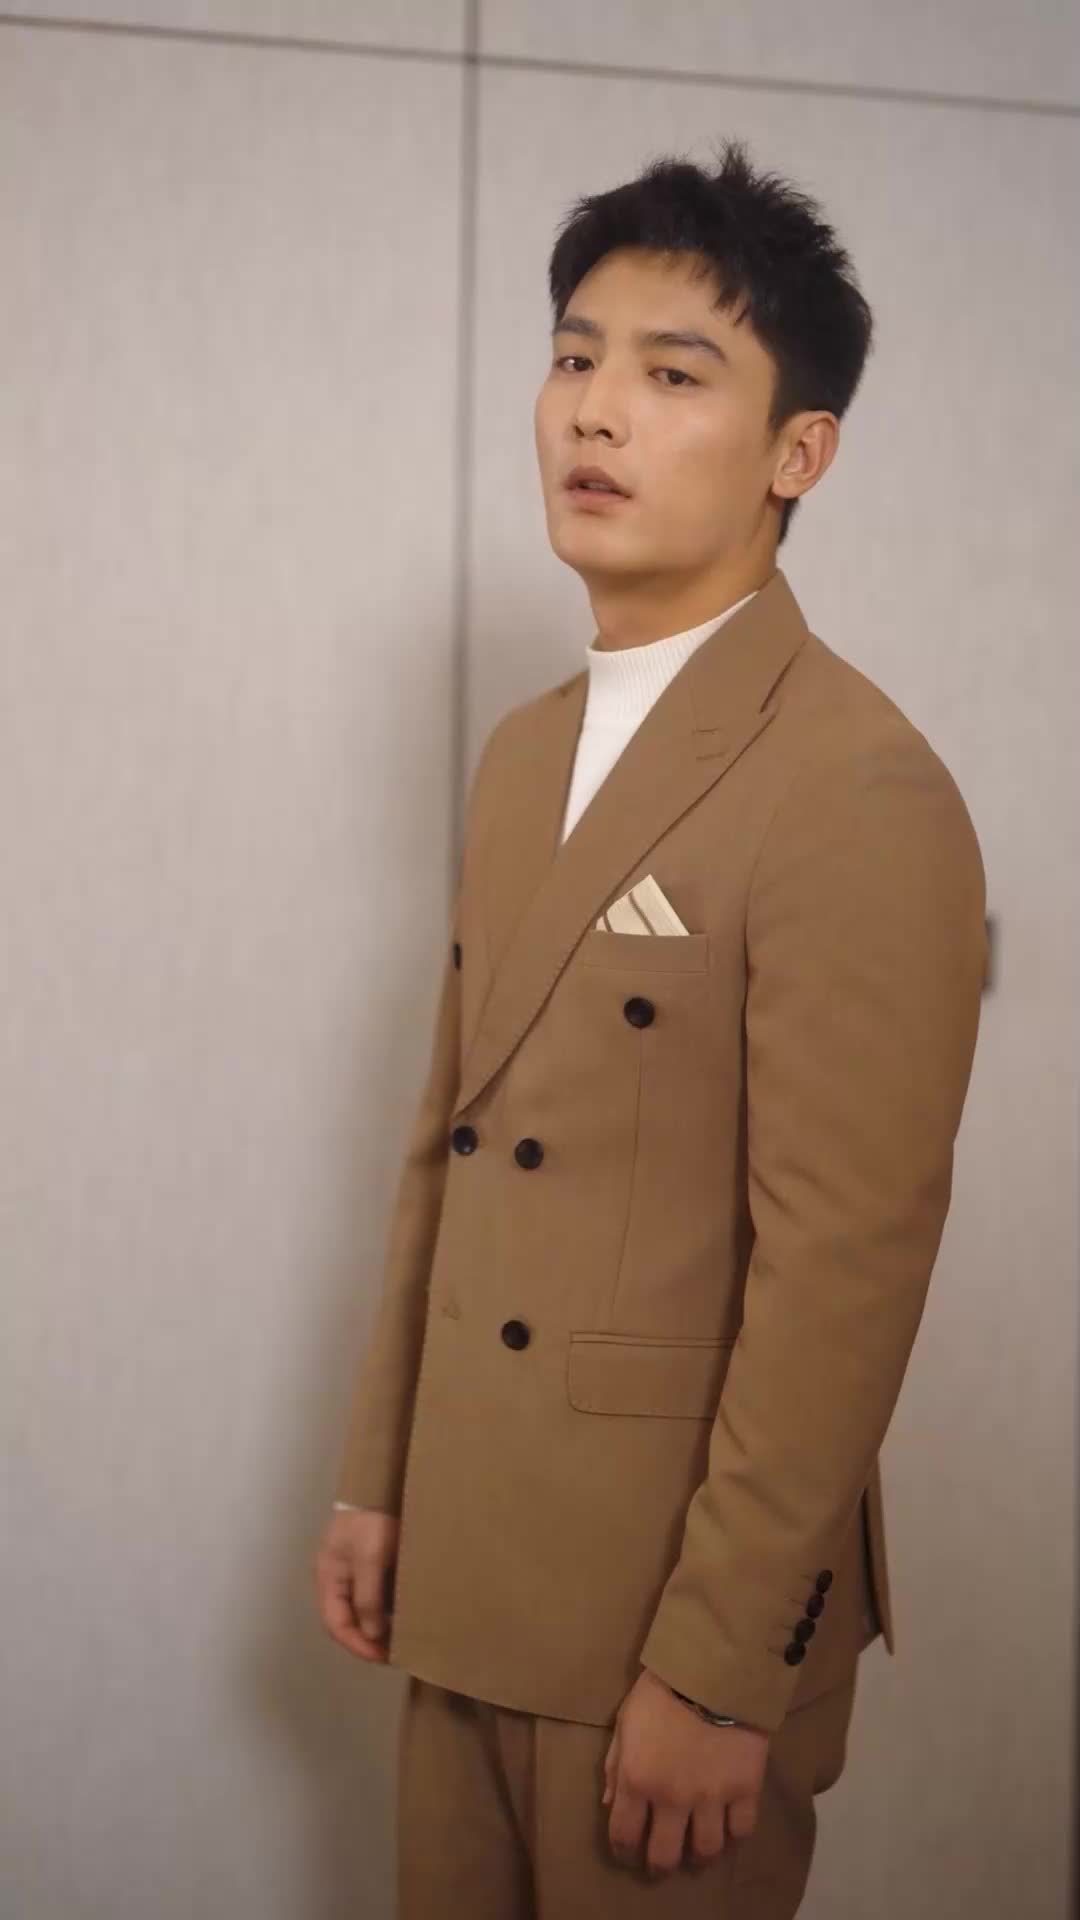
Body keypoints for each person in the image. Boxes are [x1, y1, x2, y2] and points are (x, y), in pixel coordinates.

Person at [313, 136, 988, 1917]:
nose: (595, 410)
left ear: (796, 454)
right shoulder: (524, 749)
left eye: (675, 375)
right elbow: (448, 1141)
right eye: (575, 356)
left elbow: (845, 1268)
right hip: (471, 1553)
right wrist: (383, 1477)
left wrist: (720, 1670)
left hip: (657, 1627)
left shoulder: (856, 782)